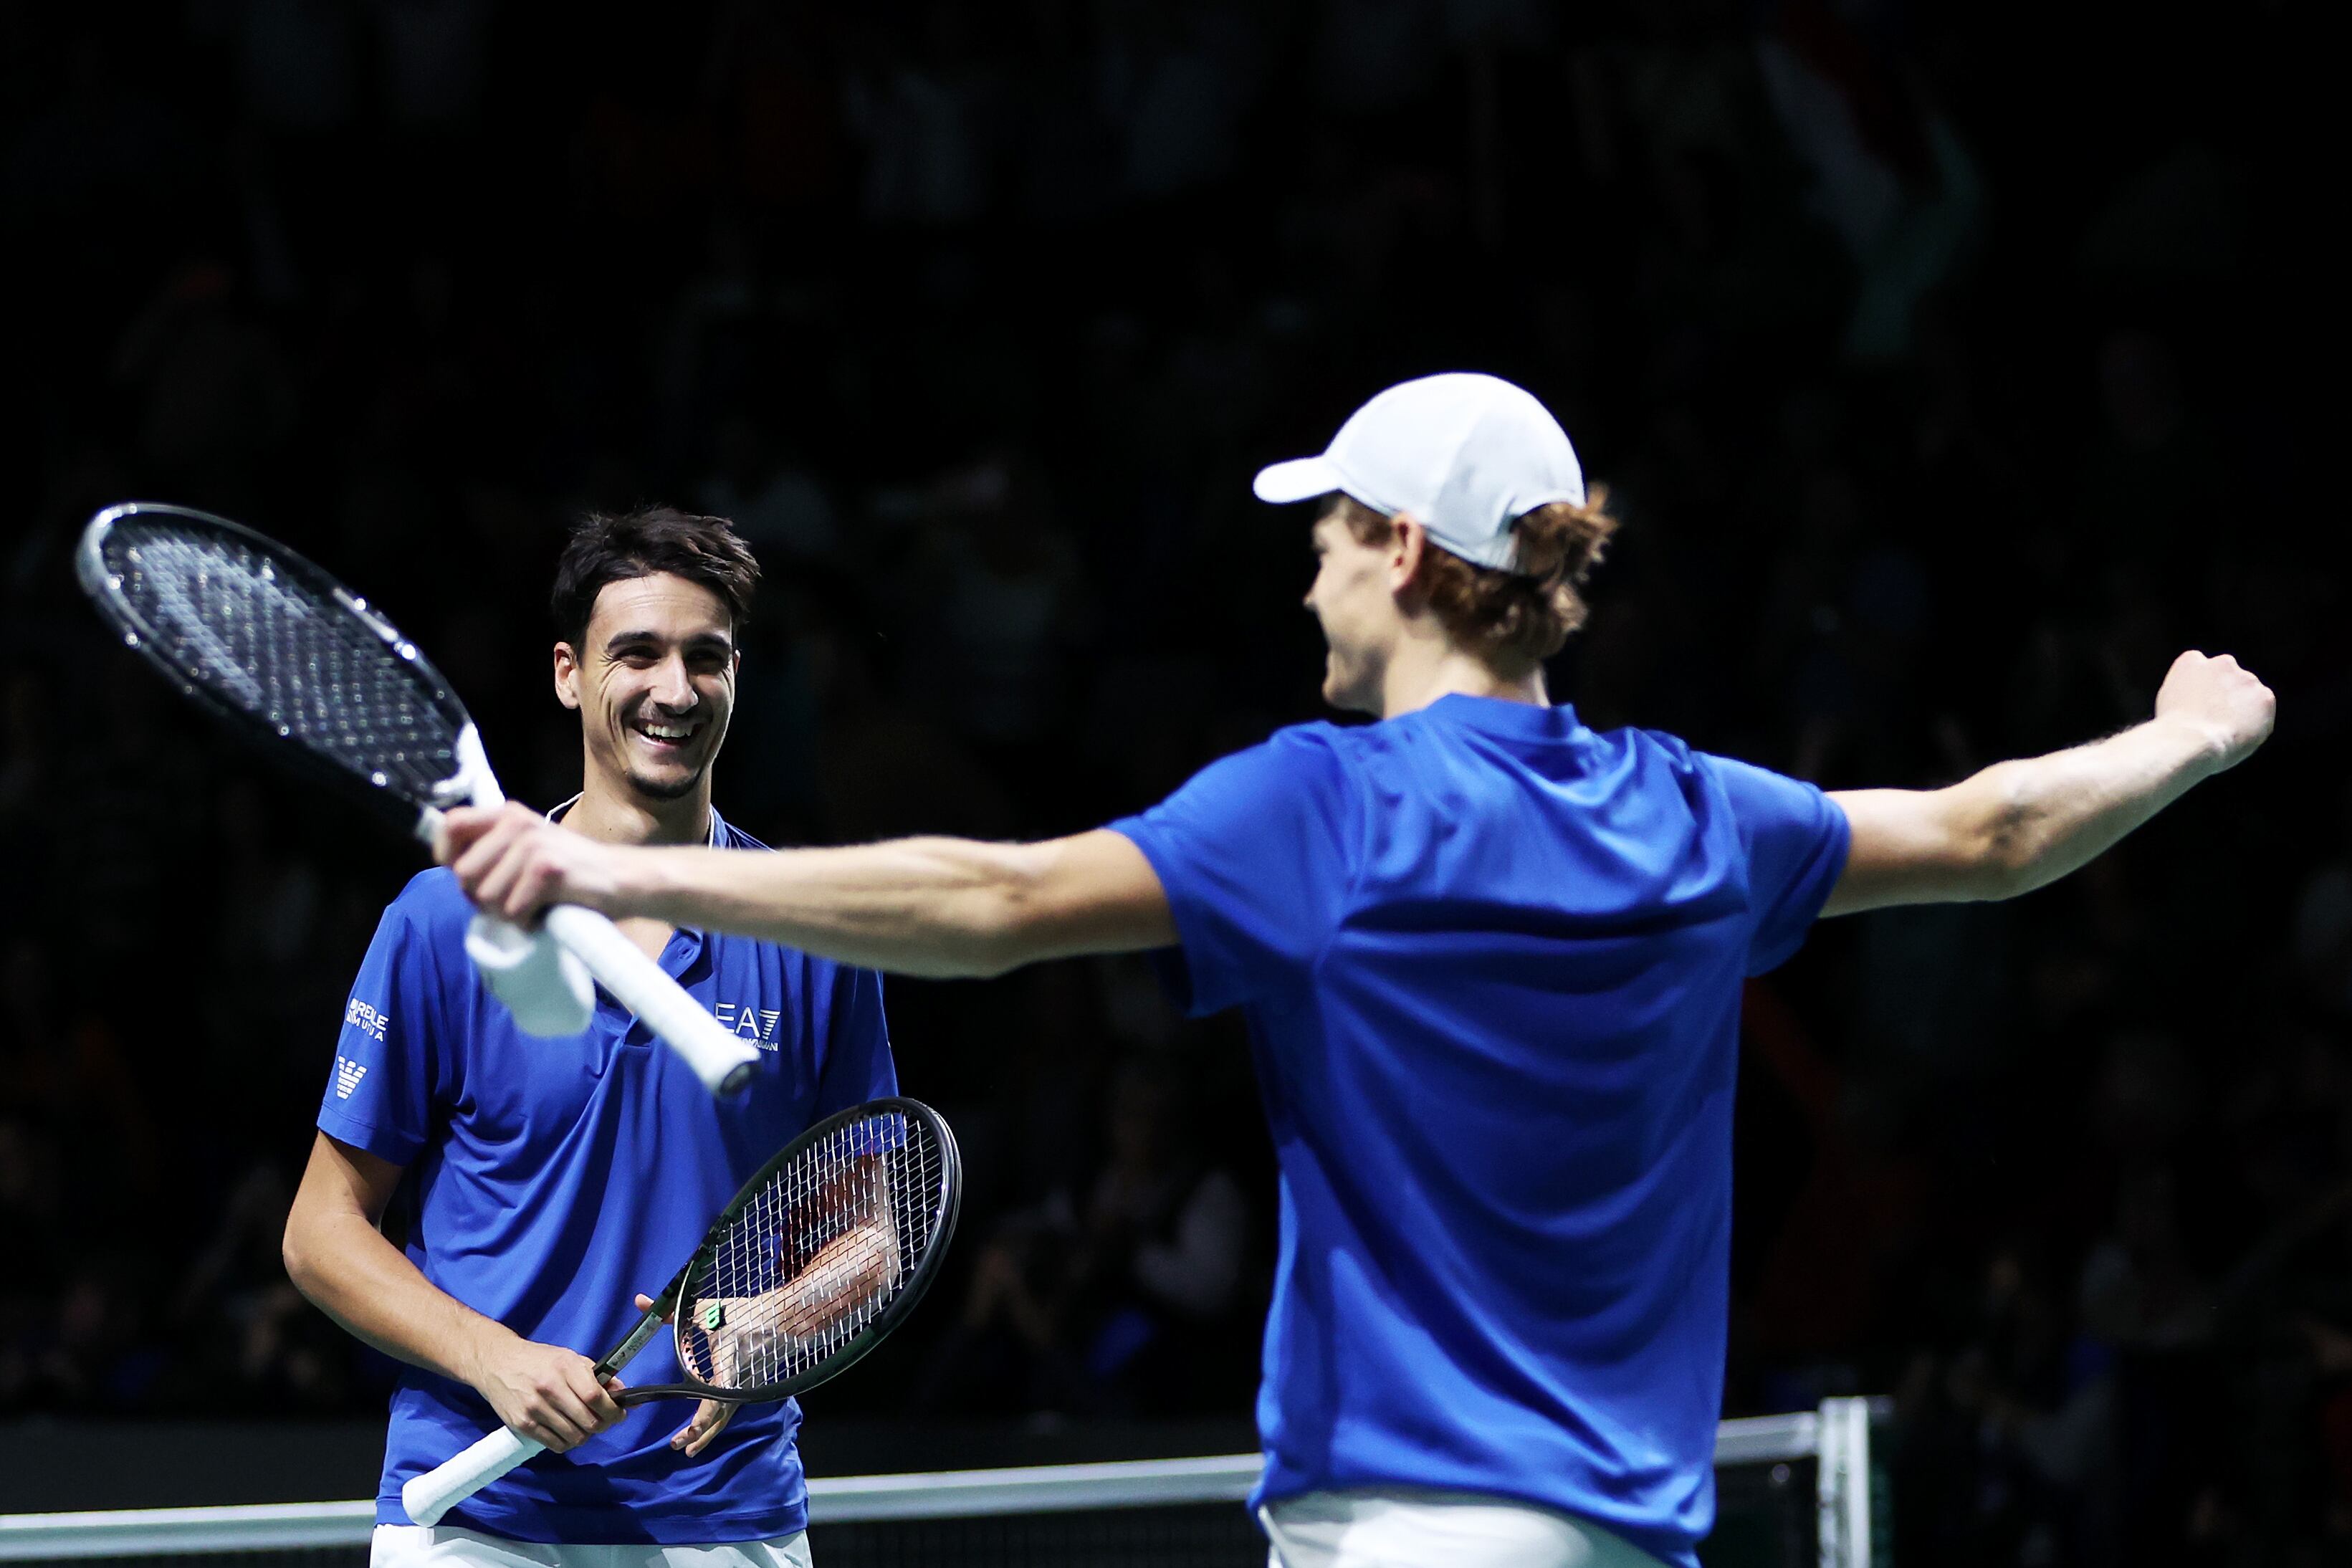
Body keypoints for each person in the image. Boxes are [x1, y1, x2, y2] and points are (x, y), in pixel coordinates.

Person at [439, 374, 2276, 1568]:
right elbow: (1995, 831)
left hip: (1396, 1525)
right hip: (1640, 1534)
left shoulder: (1328, 810)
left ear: (1406, 554)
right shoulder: (1698, 820)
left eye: (1325, 543)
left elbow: (995, 899)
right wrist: (2188, 740)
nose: (1308, 585)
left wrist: (591, 865)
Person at [285, 507, 897, 1568]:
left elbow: (877, 1236)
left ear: (737, 675)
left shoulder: (814, 928)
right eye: (638, 654)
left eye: (704, 658)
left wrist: (780, 1322)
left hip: (728, 1517)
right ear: (570, 673)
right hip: (477, 1518)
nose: (674, 690)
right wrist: (492, 1358)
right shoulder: (444, 923)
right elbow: (321, 1233)